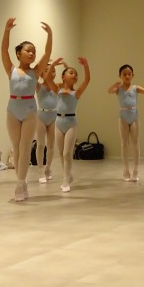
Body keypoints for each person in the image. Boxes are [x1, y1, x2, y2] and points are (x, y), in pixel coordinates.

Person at [1, 18, 53, 202]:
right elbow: (3, 51)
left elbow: (47, 53)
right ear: (18, 54)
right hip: (12, 111)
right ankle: (21, 182)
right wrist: (7, 30)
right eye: (28, 51)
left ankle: (20, 183)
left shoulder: (36, 71)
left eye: (33, 51)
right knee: (16, 148)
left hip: (30, 111)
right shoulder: (11, 70)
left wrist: (50, 34)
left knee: (25, 147)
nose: (32, 54)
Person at [108, 65, 144, 182]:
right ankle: (125, 169)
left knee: (135, 143)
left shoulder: (135, 88)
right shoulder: (118, 88)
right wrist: (114, 85)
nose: (127, 76)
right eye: (124, 74)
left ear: (132, 75)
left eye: (129, 74)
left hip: (134, 116)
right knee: (124, 143)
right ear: (120, 75)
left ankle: (136, 169)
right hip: (123, 117)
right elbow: (109, 91)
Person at [54, 57, 91, 193]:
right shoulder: (57, 89)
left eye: (76, 74)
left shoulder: (77, 93)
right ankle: (68, 175)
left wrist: (86, 66)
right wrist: (53, 65)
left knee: (67, 153)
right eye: (71, 73)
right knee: (61, 153)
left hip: (71, 123)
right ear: (63, 77)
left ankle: (65, 180)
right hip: (58, 122)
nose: (74, 75)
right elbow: (47, 78)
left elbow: (87, 80)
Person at [36, 58, 64, 184]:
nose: (50, 73)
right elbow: (34, 75)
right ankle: (40, 169)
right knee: (41, 145)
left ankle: (48, 168)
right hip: (41, 116)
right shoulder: (38, 86)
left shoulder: (57, 86)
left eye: (53, 71)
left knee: (51, 145)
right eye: (47, 71)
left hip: (54, 116)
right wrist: (45, 63)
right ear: (42, 73)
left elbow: (68, 79)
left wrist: (65, 65)